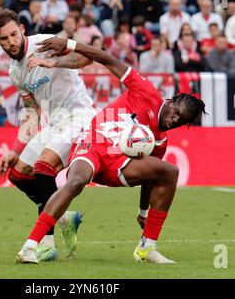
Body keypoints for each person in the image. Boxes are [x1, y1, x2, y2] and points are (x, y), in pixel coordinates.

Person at [16, 36, 206, 264]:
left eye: (180, 121)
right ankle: (30, 246)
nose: (173, 120)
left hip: (118, 165)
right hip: (94, 142)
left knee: (169, 172)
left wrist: (143, 212)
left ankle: (146, 248)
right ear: (172, 101)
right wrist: (69, 44)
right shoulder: (146, 91)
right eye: (176, 113)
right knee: (75, 182)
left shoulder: (159, 141)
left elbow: (149, 179)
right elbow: (106, 58)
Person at [0, 9, 96, 262]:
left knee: (43, 167)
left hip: (79, 116)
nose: (11, 42)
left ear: (22, 29)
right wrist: (15, 149)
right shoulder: (15, 72)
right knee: (17, 172)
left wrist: (53, 62)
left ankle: (46, 246)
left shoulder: (45, 44)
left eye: (14, 34)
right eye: (4, 39)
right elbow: (32, 114)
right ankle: (65, 218)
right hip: (54, 123)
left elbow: (86, 59)